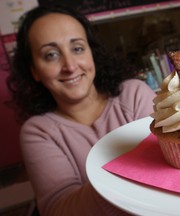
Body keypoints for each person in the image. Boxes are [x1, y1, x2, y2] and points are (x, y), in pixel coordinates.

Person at [6, 4, 156, 216]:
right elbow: (58, 209)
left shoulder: (134, 95)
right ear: (35, 71)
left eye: (77, 49)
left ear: (91, 53)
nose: (70, 65)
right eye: (51, 55)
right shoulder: (39, 132)